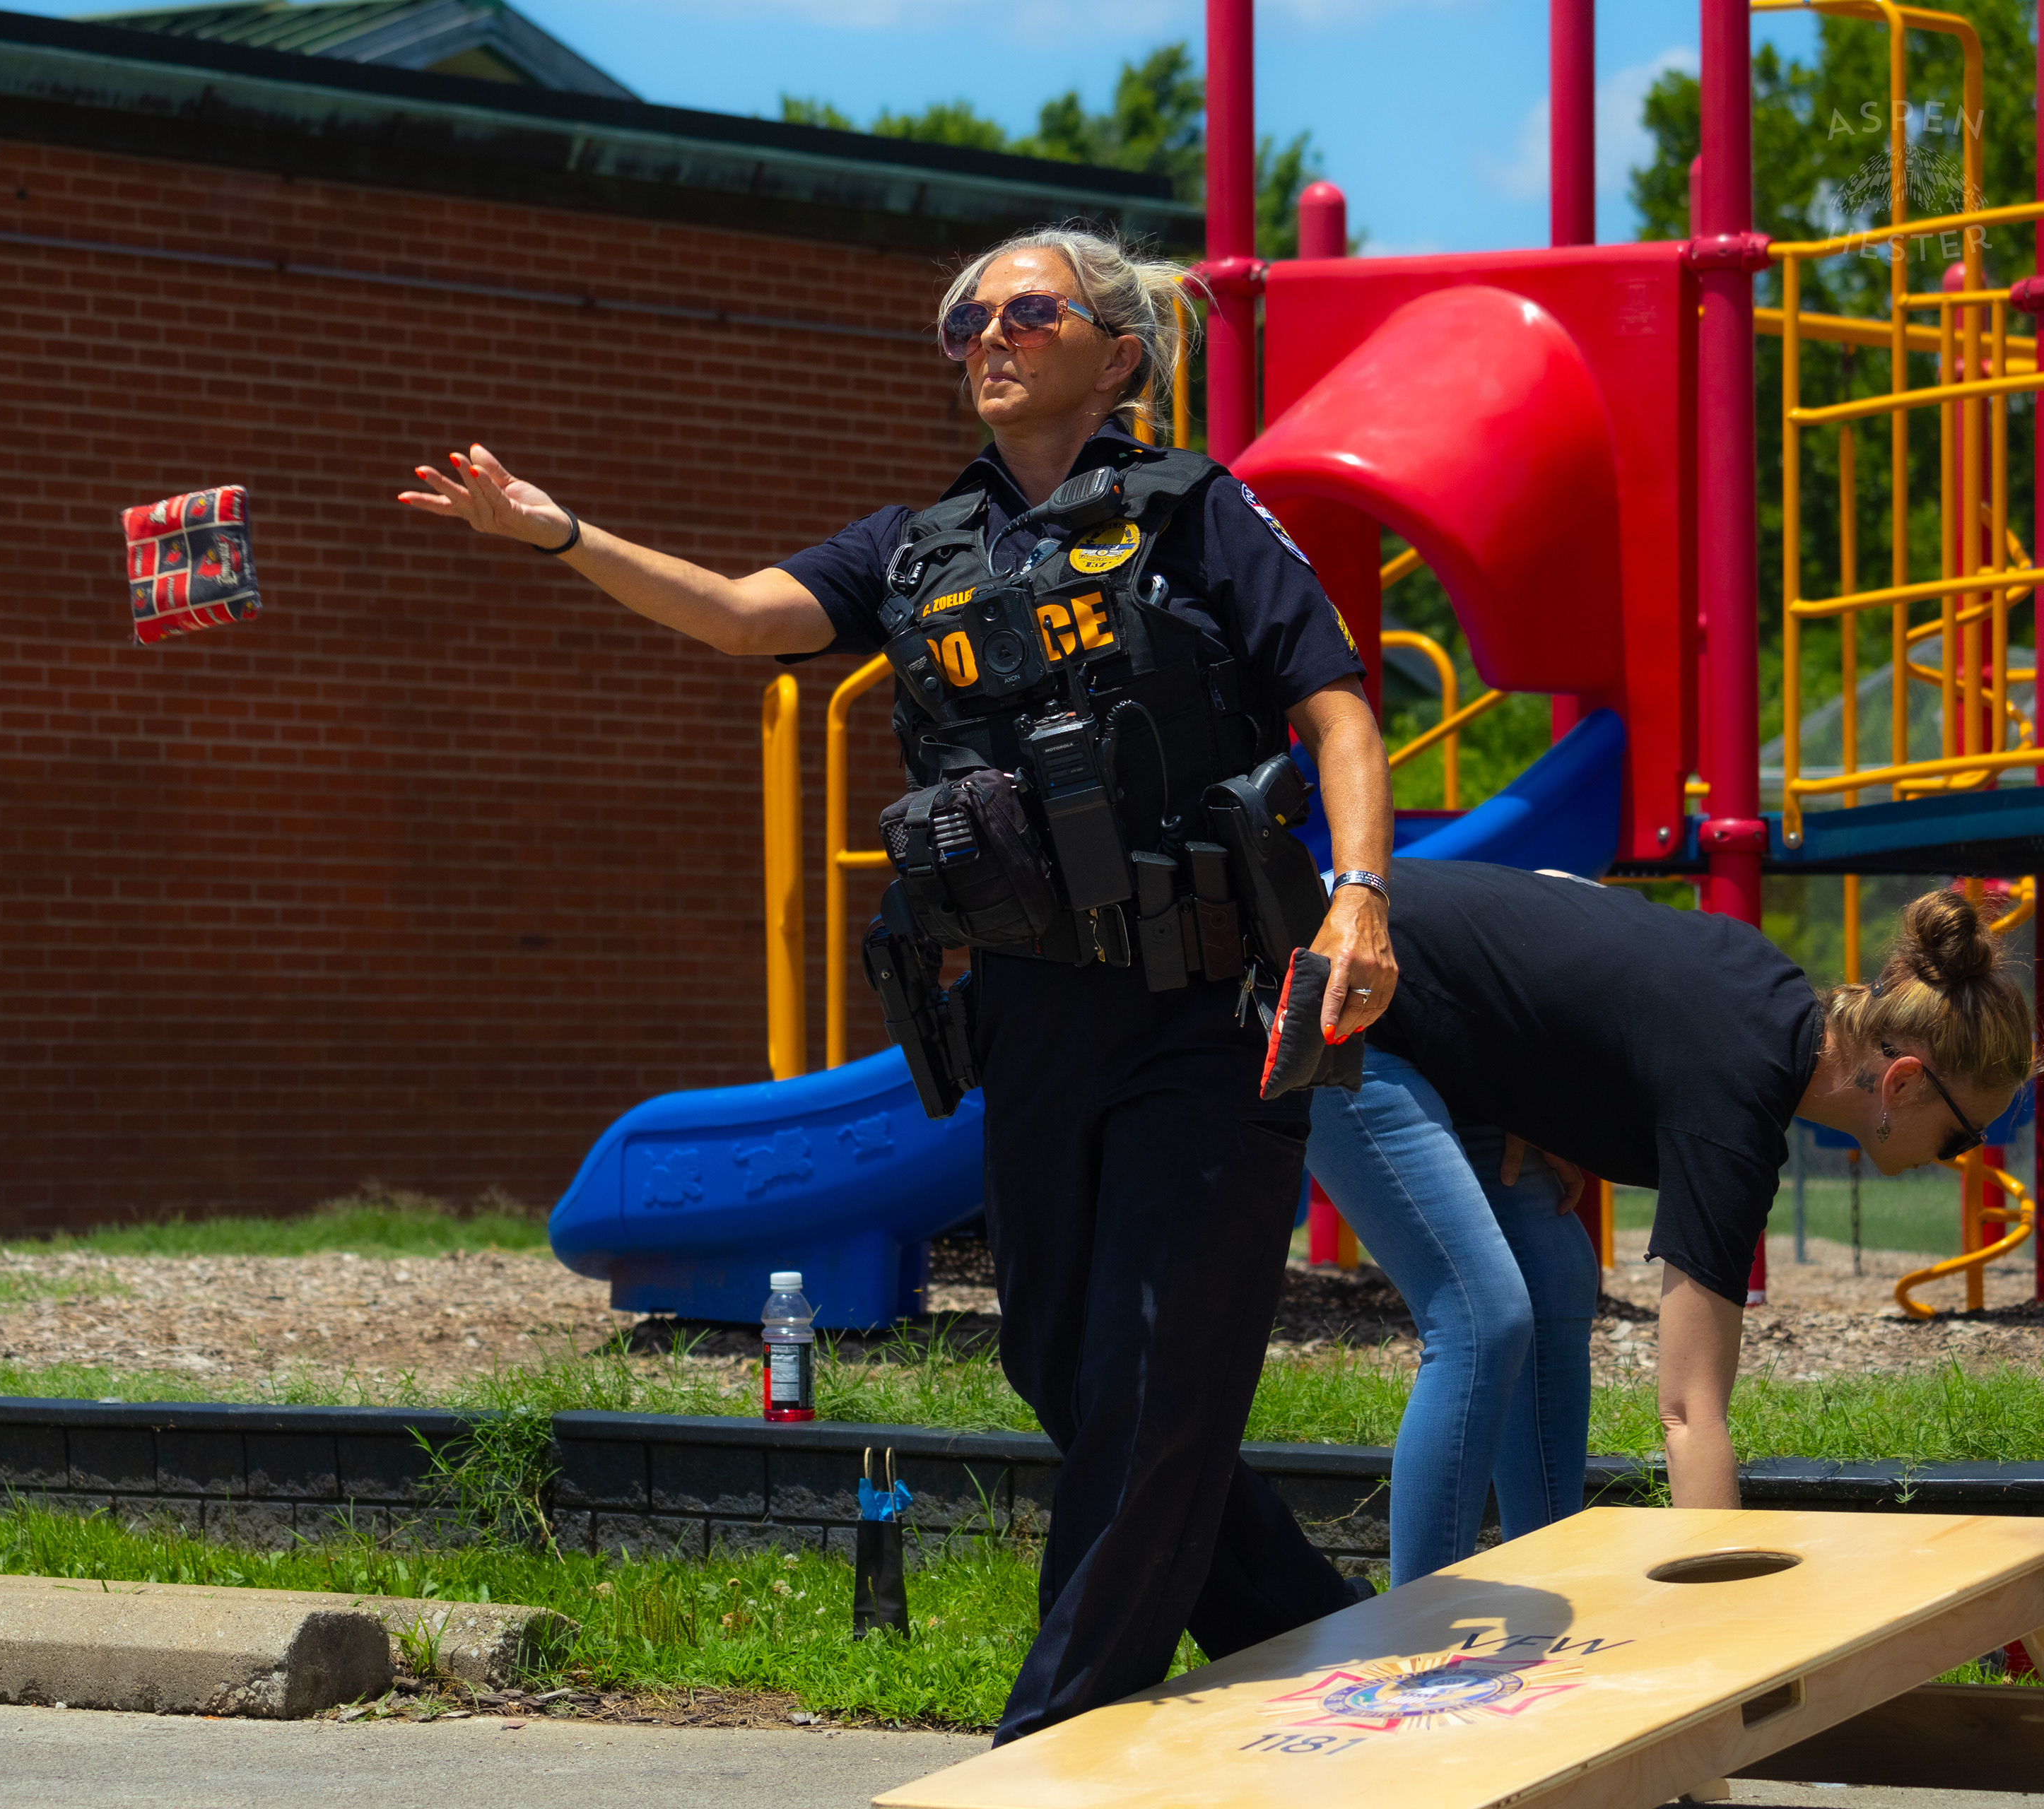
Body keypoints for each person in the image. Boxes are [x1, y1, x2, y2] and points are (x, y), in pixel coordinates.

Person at [396, 222, 1399, 1742]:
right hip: (1028, 1017)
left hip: (1206, 1010)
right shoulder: (915, 548)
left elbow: (1337, 708)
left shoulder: (1201, 515)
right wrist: (559, 532)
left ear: (1117, 354)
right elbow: (741, 618)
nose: (986, 335)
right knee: (1062, 1360)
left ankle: (1052, 1740)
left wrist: (1363, 899)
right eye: (963, 318)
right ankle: (1317, 1639)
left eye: (1025, 310)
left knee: (1145, 1369)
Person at [1303, 864, 2032, 1577]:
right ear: (1902, 1084)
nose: (1955, 1158)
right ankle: (1410, 1649)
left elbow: (1565, 891)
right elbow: (1688, 1413)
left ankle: (1547, 1579)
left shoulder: (1768, 994)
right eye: (1962, 1136)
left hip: (1435, 1024)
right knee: (1482, 1316)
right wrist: (1730, 1647)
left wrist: (1528, 1078)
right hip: (1341, 989)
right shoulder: (1735, 1111)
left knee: (1557, 1277)